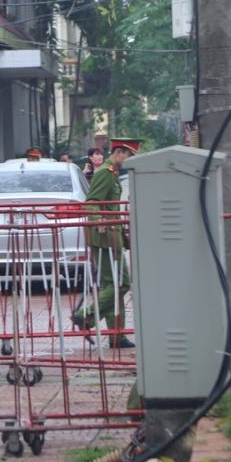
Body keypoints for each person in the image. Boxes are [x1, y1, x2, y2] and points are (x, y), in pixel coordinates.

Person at [72, 138, 141, 349]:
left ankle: (116, 335)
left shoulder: (111, 173)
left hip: (112, 237)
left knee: (114, 285)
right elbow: (91, 204)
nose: (129, 160)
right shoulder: (105, 173)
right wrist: (99, 221)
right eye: (129, 155)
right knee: (121, 284)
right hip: (105, 238)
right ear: (119, 152)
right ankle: (85, 316)